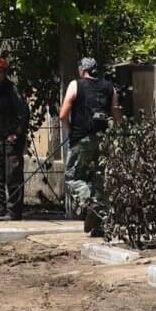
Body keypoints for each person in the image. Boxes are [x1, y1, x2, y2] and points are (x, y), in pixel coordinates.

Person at [60, 56, 120, 234]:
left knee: (72, 177)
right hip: (102, 140)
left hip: (82, 139)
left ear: (82, 70)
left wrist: (72, 130)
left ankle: (90, 204)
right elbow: (116, 114)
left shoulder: (75, 85)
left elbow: (63, 114)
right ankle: (99, 224)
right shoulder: (110, 87)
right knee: (99, 178)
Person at [0, 56, 29, 220]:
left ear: (5, 73)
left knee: (13, 176)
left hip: (12, 141)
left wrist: (16, 134)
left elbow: (24, 113)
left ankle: (14, 212)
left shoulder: (12, 90)